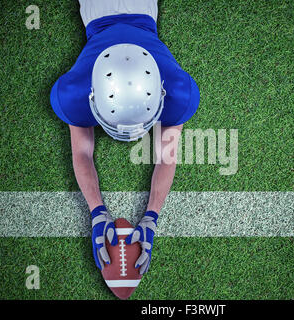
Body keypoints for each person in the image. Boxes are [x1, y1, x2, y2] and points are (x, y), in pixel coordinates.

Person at [50, 0, 200, 275]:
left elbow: (82, 152)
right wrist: (140, 215)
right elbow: (167, 155)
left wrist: (101, 212)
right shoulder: (180, 95)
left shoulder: (72, 96)